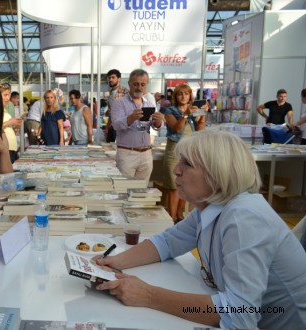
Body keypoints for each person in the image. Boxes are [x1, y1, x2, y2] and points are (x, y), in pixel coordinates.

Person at [95, 130, 306, 330]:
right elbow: (167, 242)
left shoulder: (244, 217)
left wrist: (149, 295)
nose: (176, 169)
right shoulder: (212, 206)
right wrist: (115, 262)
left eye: (187, 164)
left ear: (218, 173)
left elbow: (239, 313)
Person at [163, 84, 207, 222]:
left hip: (189, 152)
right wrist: (186, 114)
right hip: (174, 151)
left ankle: (180, 216)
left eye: (186, 94)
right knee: (174, 187)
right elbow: (176, 128)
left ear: (190, 96)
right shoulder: (170, 110)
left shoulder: (194, 109)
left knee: (186, 185)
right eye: (180, 94)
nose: (183, 96)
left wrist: (203, 114)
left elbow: (200, 130)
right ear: (176, 96)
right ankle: (171, 219)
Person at [111, 69, 163, 180]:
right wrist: (130, 118)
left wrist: (158, 122)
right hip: (127, 154)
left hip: (146, 154)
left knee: (141, 192)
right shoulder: (119, 103)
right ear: (129, 83)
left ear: (147, 85)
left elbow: (154, 126)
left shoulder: (149, 104)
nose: (139, 87)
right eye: (136, 84)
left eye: (142, 84)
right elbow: (116, 125)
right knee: (124, 190)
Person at [105, 69, 129, 143]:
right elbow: (110, 112)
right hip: (112, 127)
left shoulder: (125, 92)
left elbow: (129, 110)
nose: (110, 79)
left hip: (122, 127)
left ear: (119, 79)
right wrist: (107, 127)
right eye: (109, 78)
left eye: (113, 77)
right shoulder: (111, 93)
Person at [0, 83, 21, 162]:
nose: (8, 98)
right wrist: (8, 123)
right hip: (4, 146)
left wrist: (17, 125)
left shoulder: (10, 105)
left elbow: (12, 128)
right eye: (5, 95)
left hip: (12, 145)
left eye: (9, 95)